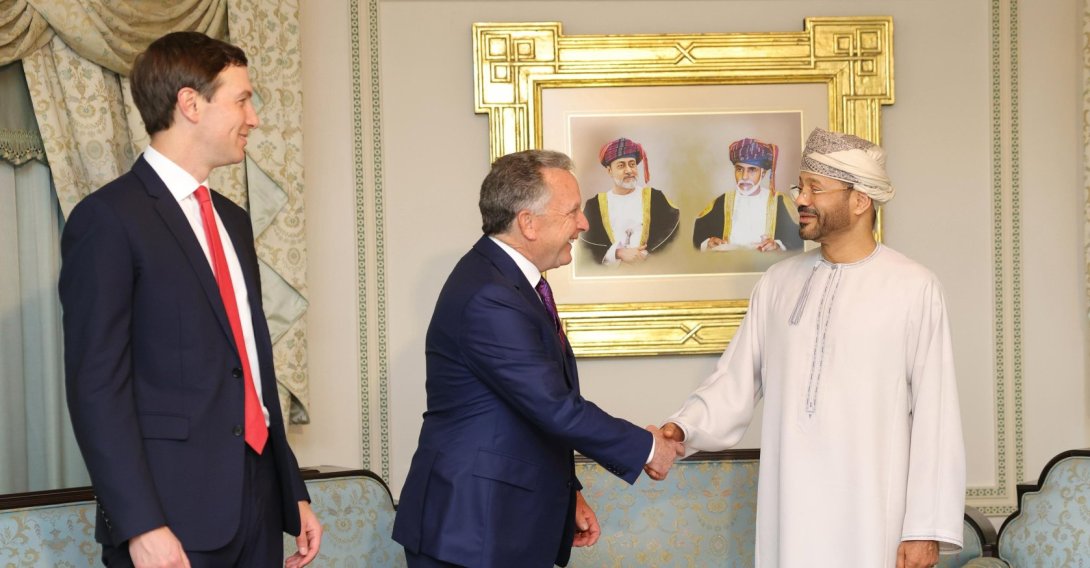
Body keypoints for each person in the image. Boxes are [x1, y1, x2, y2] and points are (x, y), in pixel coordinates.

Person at [59, 31, 321, 567]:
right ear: (190, 104)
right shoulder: (107, 220)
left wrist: (290, 492)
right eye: (242, 100)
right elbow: (96, 389)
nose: (254, 119)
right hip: (169, 518)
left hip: (257, 504)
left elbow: (250, 366)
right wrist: (140, 524)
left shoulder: (233, 221)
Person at [662, 128, 966, 568]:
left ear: (859, 200)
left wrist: (924, 529)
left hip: (873, 517)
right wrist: (682, 428)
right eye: (799, 187)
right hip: (790, 507)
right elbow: (735, 379)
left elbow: (937, 414)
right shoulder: (778, 283)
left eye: (815, 189)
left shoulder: (914, 288)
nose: (800, 200)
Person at [392, 150, 683, 568]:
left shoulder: (506, 281)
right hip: (470, 528)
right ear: (528, 223)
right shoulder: (489, 295)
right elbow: (554, 406)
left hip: (495, 521)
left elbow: (524, 413)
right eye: (572, 212)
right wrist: (649, 448)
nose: (584, 224)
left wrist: (569, 493)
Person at [580, 137, 680, 264]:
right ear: (610, 171)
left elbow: (672, 233)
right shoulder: (594, 206)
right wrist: (618, 253)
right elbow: (586, 245)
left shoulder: (655, 198)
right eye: (621, 165)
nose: (628, 170)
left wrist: (644, 255)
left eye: (632, 164)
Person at [692, 137, 802, 251]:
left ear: (763, 173)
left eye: (752, 170)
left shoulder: (779, 202)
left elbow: (798, 240)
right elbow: (697, 237)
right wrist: (708, 243)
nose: (744, 177)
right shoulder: (722, 202)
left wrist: (778, 246)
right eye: (739, 169)